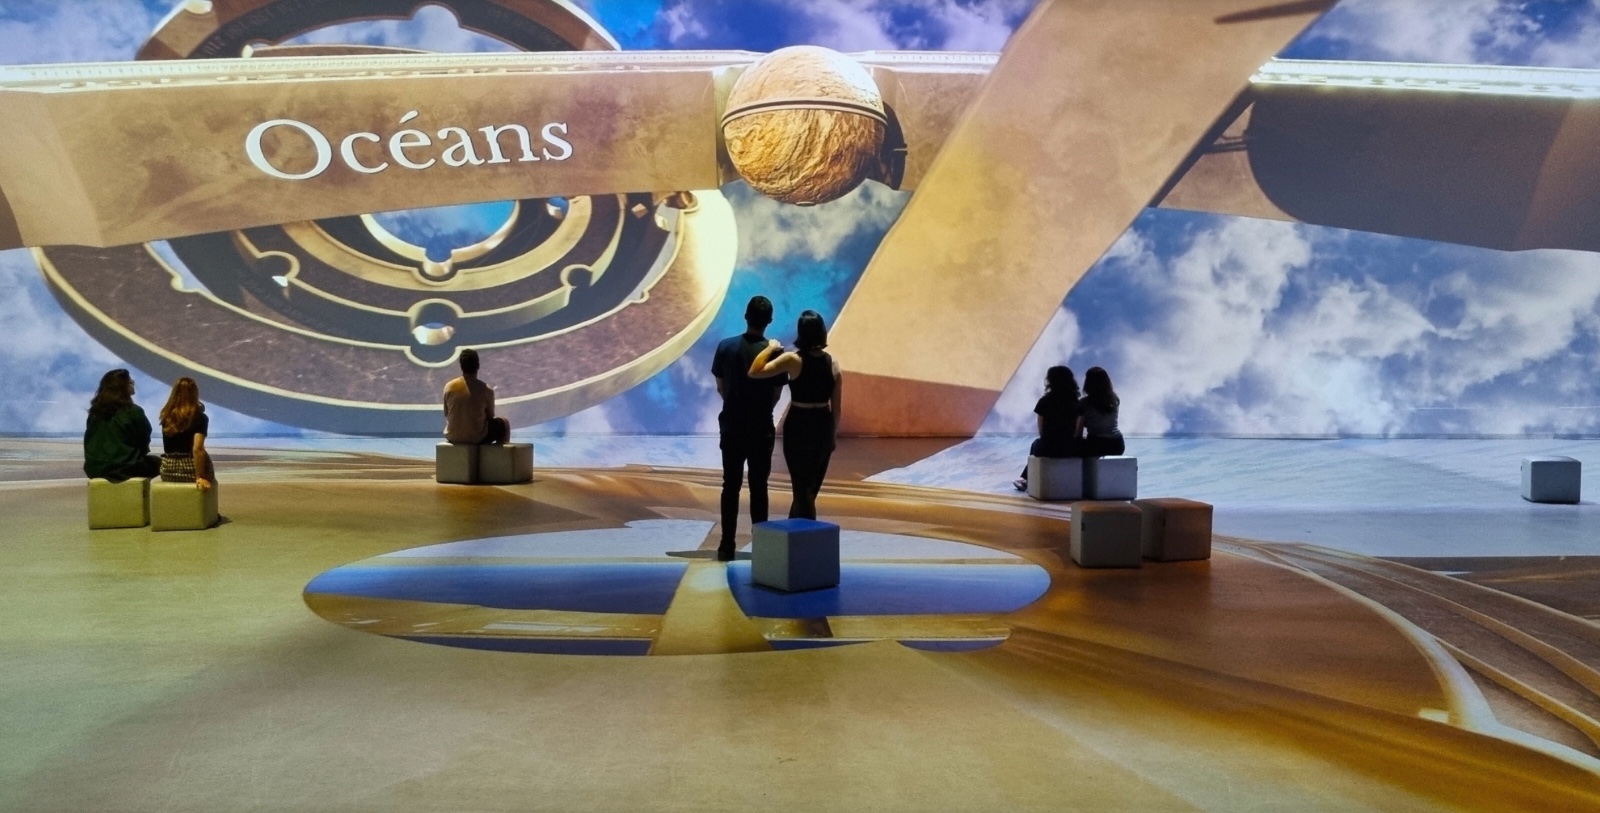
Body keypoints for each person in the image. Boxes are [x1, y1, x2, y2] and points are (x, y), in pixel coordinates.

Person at [711, 296, 787, 561]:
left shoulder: (726, 347)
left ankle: (726, 545)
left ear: (746, 316)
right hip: (760, 427)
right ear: (769, 321)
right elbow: (776, 394)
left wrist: (734, 403)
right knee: (759, 486)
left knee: (730, 485)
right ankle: (762, 547)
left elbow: (721, 386)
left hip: (732, 424)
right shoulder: (775, 353)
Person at [750, 310, 843, 521]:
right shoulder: (834, 364)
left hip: (799, 425)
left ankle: (801, 534)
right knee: (809, 489)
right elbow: (837, 409)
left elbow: (755, 371)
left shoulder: (793, 360)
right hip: (822, 425)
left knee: (802, 489)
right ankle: (802, 533)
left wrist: (771, 348)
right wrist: (833, 435)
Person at [83, 368, 160, 481]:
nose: (133, 385)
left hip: (94, 469)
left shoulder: (94, 412)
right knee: (158, 463)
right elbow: (144, 439)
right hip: (125, 468)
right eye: (131, 382)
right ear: (123, 386)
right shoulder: (134, 411)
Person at [1013, 365, 1082, 491]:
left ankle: (1027, 480)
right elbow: (1078, 431)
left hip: (1049, 447)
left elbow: (1041, 431)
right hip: (1070, 448)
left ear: (1051, 381)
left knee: (1035, 444)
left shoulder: (1045, 401)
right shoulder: (1076, 402)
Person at [443, 348, 510, 445]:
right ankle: (499, 454)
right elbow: (490, 416)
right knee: (504, 423)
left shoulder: (449, 387)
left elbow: (446, 413)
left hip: (452, 436)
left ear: (461, 366)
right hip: (477, 437)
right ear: (478, 365)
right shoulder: (486, 390)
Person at [158, 377, 215, 492]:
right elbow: (197, 449)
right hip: (190, 469)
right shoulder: (200, 418)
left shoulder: (166, 417)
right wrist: (200, 476)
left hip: (168, 470)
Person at [1079, 366, 1125, 458]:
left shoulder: (1084, 402)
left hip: (1097, 443)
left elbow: (1080, 428)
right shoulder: (1114, 400)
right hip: (1117, 443)